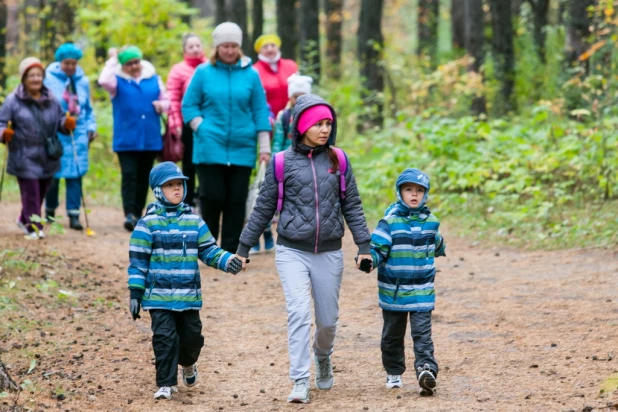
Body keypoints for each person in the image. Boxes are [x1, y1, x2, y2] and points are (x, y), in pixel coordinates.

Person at [235, 94, 372, 404]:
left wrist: (364, 244)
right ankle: (299, 379)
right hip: (291, 251)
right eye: (318, 124)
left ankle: (323, 355)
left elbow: (352, 204)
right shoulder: (282, 163)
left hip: (329, 251)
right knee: (298, 312)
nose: (324, 129)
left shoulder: (339, 160)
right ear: (301, 126)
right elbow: (263, 208)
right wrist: (243, 248)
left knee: (327, 320)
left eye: (328, 124)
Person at [127, 161, 244, 400]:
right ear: (158, 190)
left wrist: (227, 260)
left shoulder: (195, 221)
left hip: (187, 295)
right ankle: (166, 383)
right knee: (164, 338)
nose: (176, 189)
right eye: (169, 186)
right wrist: (135, 294)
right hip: (158, 297)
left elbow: (209, 250)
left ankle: (188, 363)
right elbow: (138, 261)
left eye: (179, 184)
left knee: (192, 338)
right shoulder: (147, 224)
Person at [182, 22, 271, 252]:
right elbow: (189, 105)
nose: (229, 51)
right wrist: (202, 128)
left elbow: (261, 110)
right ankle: (208, 249)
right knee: (212, 197)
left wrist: (264, 147)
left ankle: (231, 252)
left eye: (233, 46)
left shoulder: (251, 74)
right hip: (209, 145)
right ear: (217, 47)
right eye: (225, 46)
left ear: (239, 47)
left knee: (236, 201)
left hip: (243, 146)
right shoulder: (203, 72)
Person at [364, 168, 446, 396]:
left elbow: (437, 245)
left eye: (419, 190)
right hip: (394, 292)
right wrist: (370, 261)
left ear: (425, 194)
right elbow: (378, 249)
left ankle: (426, 370)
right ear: (400, 192)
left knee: (423, 335)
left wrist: (440, 246)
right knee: (392, 335)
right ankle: (394, 371)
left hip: (422, 291)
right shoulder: (389, 222)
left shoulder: (431, 222)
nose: (414, 194)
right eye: (408, 189)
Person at [0, 57, 76, 239]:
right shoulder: (13, 100)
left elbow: (59, 122)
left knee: (41, 191)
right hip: (23, 154)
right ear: (24, 78)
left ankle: (23, 218)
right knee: (31, 192)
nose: (35, 79)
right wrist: (4, 133)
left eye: (38, 75)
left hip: (47, 156)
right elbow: (1, 123)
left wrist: (67, 124)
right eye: (31, 75)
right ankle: (34, 227)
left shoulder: (51, 99)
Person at [98, 45, 170, 231]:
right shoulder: (117, 81)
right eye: (129, 63)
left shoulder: (153, 78)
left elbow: (167, 99)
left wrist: (162, 105)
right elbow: (103, 80)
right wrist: (113, 59)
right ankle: (129, 213)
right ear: (123, 65)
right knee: (129, 175)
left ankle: (138, 212)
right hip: (126, 139)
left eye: (136, 61)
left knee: (144, 176)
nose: (134, 66)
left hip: (150, 137)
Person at [250, 74, 313, 255]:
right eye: (296, 96)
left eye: (303, 96)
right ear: (290, 97)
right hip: (285, 166)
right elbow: (277, 139)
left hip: (307, 166)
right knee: (271, 201)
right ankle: (265, 234)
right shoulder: (284, 117)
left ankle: (297, 237)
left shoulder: (313, 117)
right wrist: (274, 160)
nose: (299, 100)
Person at [44, 42, 97, 231]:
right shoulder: (48, 79)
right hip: (56, 132)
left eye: (74, 63)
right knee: (54, 173)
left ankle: (74, 214)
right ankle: (49, 210)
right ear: (60, 62)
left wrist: (91, 127)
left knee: (76, 173)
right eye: (67, 63)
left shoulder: (83, 81)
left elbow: (88, 109)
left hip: (78, 132)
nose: (70, 67)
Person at [166, 33, 206, 210]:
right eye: (191, 46)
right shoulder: (178, 70)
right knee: (189, 163)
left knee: (207, 163)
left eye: (198, 45)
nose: (195, 49)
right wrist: (175, 124)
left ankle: (203, 197)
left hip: (209, 123)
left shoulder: (209, 67)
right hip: (187, 124)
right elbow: (173, 99)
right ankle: (187, 201)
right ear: (185, 50)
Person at [252, 34, 298, 117]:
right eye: (265, 47)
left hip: (292, 118)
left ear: (278, 47)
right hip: (267, 119)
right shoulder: (254, 70)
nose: (270, 49)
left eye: (273, 46)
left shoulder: (291, 65)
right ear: (259, 50)